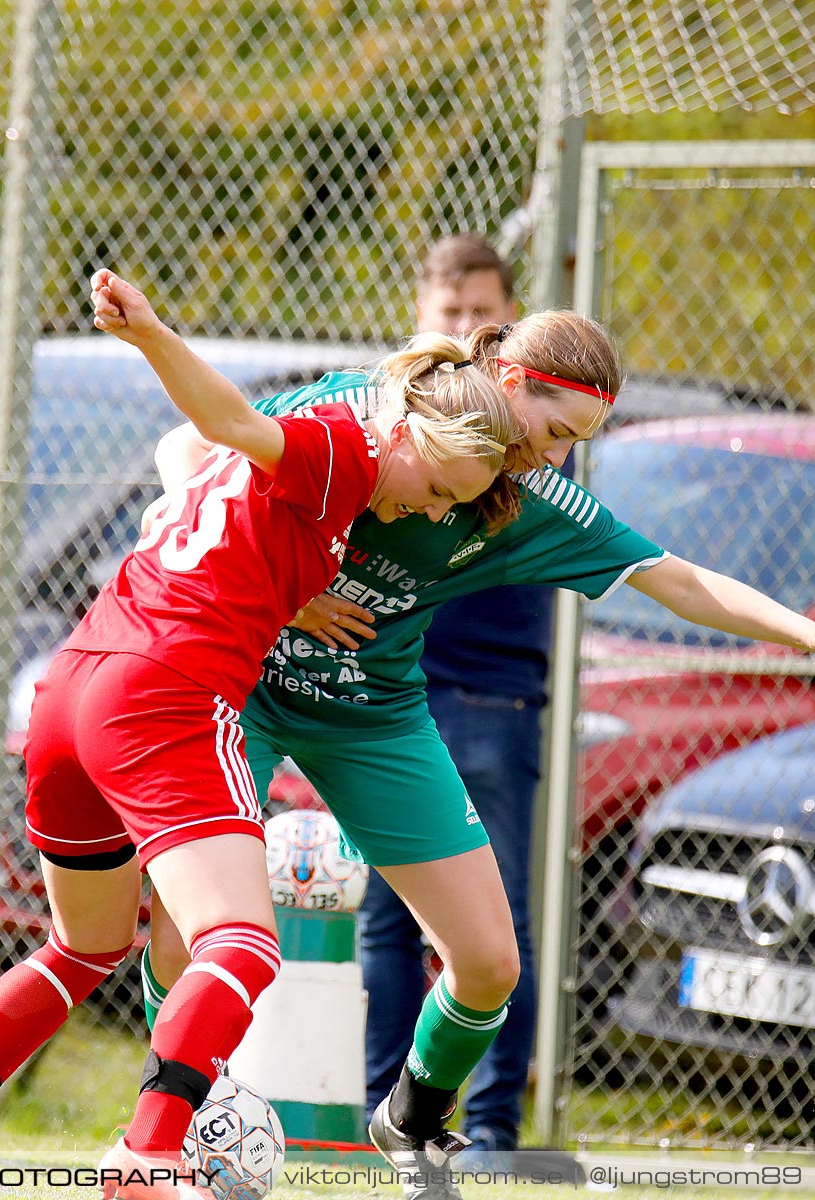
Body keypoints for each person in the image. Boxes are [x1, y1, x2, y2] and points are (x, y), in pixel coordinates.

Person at [141, 314, 815, 1199]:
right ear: (509, 384)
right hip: (247, 688)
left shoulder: (532, 501)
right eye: (554, 434)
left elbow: (676, 576)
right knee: (191, 934)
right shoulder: (367, 414)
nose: (555, 458)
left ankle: (411, 1122)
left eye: (576, 444)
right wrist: (284, 580)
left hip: (372, 716)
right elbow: (186, 445)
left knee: (488, 964)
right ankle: (176, 1132)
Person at [0, 269, 523, 1198]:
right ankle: (145, 1161)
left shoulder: (343, 470)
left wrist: (303, 601)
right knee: (245, 944)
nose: (428, 509)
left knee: (83, 943)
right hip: (166, 696)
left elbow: (210, 475)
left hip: (75, 685)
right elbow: (225, 419)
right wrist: (150, 335)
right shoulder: (346, 451)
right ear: (410, 430)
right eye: (436, 485)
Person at [372, 233, 544, 1157]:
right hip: (385, 696)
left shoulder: (531, 436)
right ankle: (387, 1111)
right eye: (451, 315)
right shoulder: (389, 419)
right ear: (422, 321)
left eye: (485, 313)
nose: (469, 329)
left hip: (491, 696)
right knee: (385, 921)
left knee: (494, 926)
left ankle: (488, 1130)